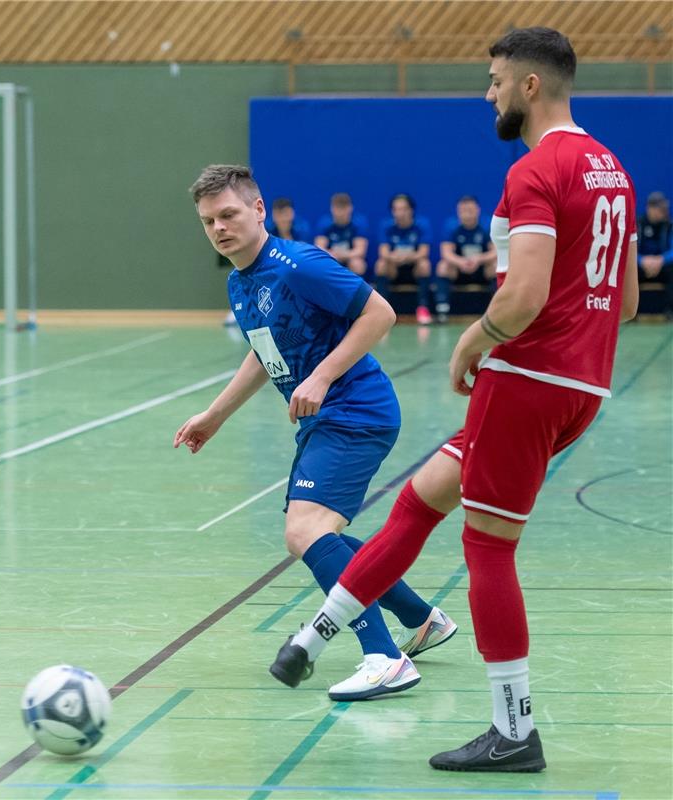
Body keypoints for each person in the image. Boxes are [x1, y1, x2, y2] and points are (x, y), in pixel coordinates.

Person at [270, 26, 639, 772]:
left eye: (496, 79)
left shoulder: (537, 170)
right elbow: (626, 301)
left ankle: (514, 730)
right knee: (422, 497)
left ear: (530, 86)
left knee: (488, 548)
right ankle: (314, 636)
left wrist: (474, 341)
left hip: (527, 379)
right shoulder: (614, 169)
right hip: (582, 385)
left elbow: (526, 294)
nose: (489, 92)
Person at [176, 164, 457, 702]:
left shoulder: (297, 264)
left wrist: (323, 376)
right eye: (209, 220)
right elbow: (265, 352)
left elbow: (381, 313)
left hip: (356, 410)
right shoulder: (241, 280)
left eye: (229, 214)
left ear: (259, 211)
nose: (219, 227)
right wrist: (216, 415)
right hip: (325, 419)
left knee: (304, 532)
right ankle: (421, 620)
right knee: (321, 533)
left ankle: (383, 657)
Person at [435, 195, 497, 323]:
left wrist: (478, 259)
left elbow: (495, 251)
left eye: (470, 211)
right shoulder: (451, 226)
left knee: (495, 266)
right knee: (443, 266)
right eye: (463, 211)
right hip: (460, 269)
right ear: (458, 212)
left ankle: (497, 311)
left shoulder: (487, 225)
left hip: (481, 269)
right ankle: (442, 310)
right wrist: (461, 262)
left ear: (477, 210)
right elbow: (446, 253)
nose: (467, 215)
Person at [375, 194, 434, 325]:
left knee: (424, 265)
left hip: (413, 268)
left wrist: (407, 256)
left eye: (403, 209)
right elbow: (383, 253)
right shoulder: (386, 226)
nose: (400, 213)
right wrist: (394, 257)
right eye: (396, 209)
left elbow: (424, 252)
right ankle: (382, 311)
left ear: (411, 210)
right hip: (394, 268)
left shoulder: (421, 225)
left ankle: (423, 309)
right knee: (381, 265)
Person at [637, 191, 673, 319]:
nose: (662, 212)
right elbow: (629, 252)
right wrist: (642, 260)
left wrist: (660, 260)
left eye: (664, 209)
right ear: (649, 208)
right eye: (659, 208)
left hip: (662, 266)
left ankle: (669, 310)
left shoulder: (669, 225)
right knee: (628, 270)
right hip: (641, 266)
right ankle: (631, 311)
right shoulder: (638, 225)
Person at [314, 193, 369, 276]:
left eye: (343, 208)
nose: (340, 212)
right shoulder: (324, 223)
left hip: (349, 258)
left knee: (358, 264)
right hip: (331, 258)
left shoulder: (359, 223)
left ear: (350, 208)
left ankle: (357, 288)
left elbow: (360, 251)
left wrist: (342, 255)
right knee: (318, 264)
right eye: (337, 208)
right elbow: (319, 248)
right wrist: (332, 255)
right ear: (331, 208)